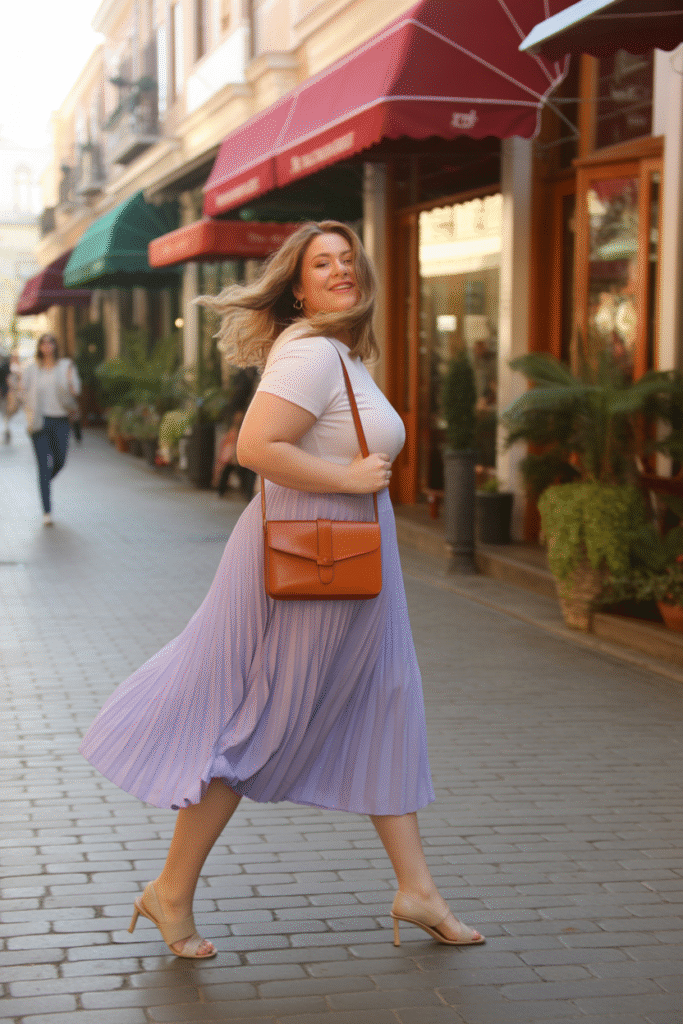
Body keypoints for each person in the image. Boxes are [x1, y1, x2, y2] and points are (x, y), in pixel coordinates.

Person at [80, 221, 484, 959]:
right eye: (320, 263)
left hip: (356, 565)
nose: (339, 270)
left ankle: (417, 890)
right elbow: (259, 448)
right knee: (261, 723)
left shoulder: (341, 354)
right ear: (296, 286)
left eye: (346, 259)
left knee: (386, 704)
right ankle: (170, 890)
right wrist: (345, 479)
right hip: (315, 564)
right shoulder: (308, 354)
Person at [21, 334, 81, 526]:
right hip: (40, 422)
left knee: (60, 460)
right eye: (43, 343)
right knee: (42, 467)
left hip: (61, 420)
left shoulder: (65, 366)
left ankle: (45, 482)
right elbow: (23, 391)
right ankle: (47, 511)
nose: (47, 346)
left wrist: (71, 383)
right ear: (39, 347)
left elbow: (76, 391)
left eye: (50, 342)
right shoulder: (32, 369)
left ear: (55, 346)